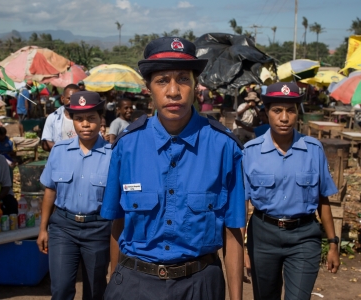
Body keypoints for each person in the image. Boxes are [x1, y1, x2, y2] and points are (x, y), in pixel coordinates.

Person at [101, 36, 246, 300]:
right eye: (162, 80)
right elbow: (117, 222)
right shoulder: (126, 147)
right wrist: (116, 281)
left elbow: (233, 231)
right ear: (149, 88)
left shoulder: (224, 147)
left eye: (182, 79)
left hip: (200, 285)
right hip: (135, 284)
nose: (173, 91)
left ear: (196, 85)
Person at [242, 82, 340, 300]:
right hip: (263, 236)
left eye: (291, 110)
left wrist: (333, 243)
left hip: (304, 237)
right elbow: (242, 205)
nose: (284, 118)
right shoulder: (250, 153)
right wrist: (242, 249)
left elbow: (323, 199)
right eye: (277, 110)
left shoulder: (314, 150)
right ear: (266, 113)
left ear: (297, 113)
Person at [37, 91, 112, 300]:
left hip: (98, 229)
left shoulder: (113, 155)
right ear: (73, 121)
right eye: (79, 119)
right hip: (63, 227)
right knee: (60, 289)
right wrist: (43, 229)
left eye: (91, 118)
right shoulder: (59, 150)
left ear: (100, 120)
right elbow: (50, 191)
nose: (85, 124)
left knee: (95, 289)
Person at [41, 84, 80, 152]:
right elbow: (48, 141)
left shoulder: (85, 119)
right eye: (69, 99)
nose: (72, 102)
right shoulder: (53, 118)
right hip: (60, 158)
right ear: (62, 99)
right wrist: (63, 152)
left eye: (76, 99)